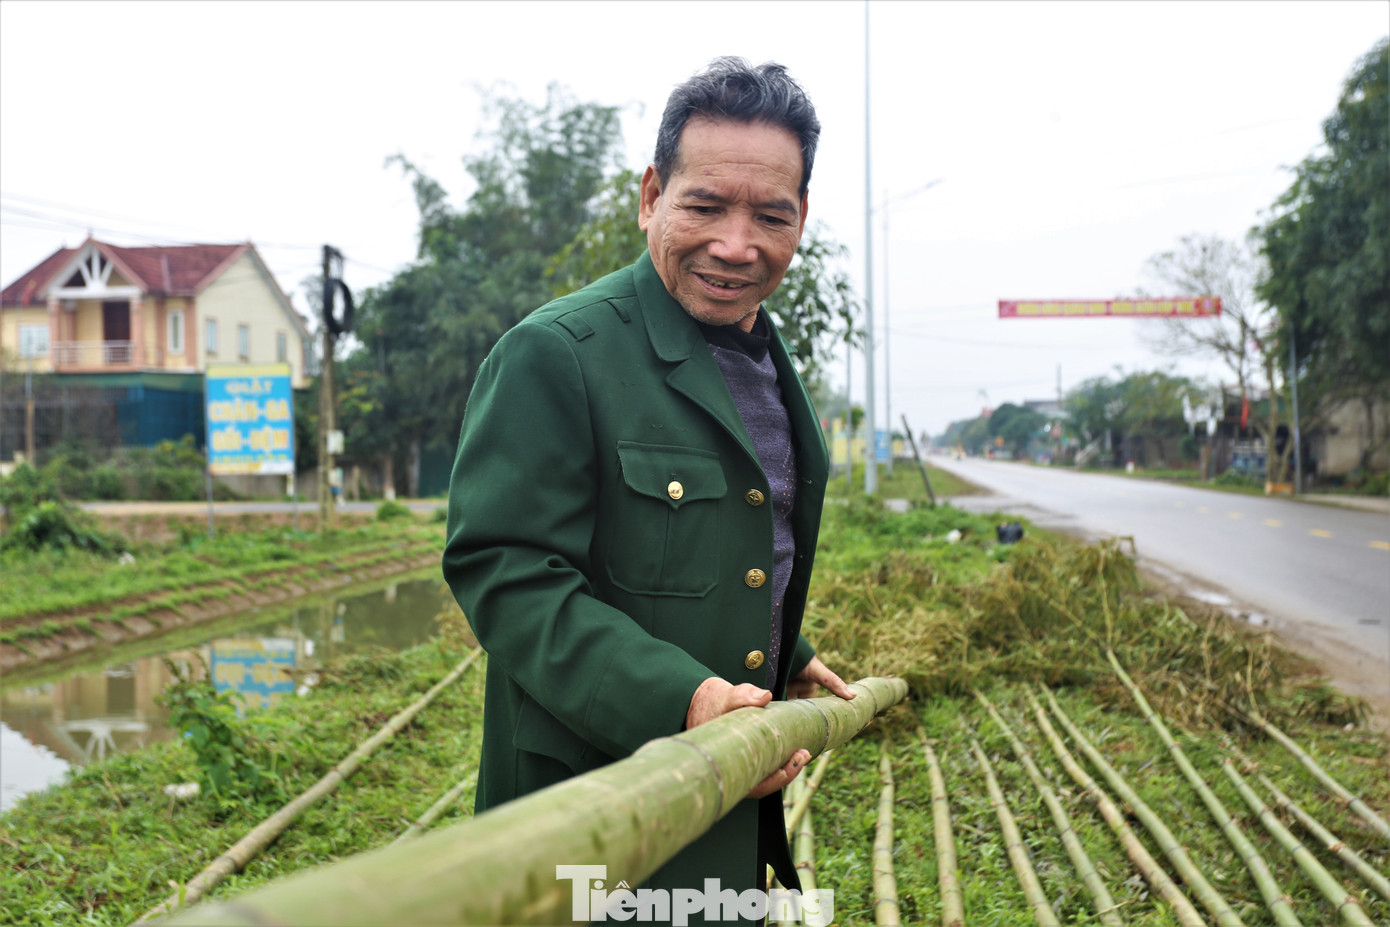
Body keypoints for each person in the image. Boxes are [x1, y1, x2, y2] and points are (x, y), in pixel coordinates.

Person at [442, 56, 854, 919]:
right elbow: (509, 574)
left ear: (801, 218)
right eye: (704, 206)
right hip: (592, 821)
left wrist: (784, 644)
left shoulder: (767, 362)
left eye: (769, 216)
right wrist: (687, 698)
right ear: (651, 196)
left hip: (727, 830)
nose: (736, 245)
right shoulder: (560, 354)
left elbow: (715, 542)